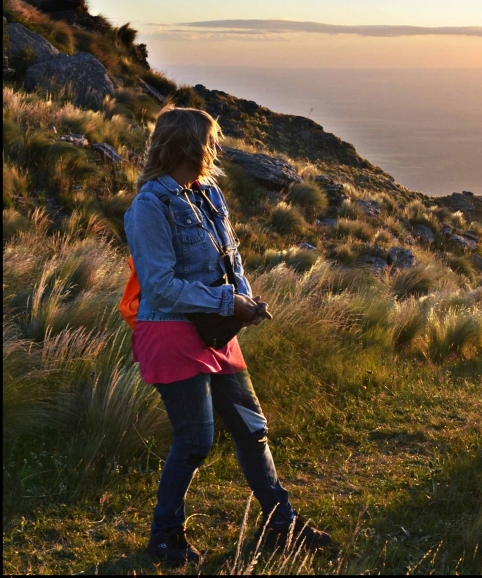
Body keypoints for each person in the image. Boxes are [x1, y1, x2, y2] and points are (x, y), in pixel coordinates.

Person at [124, 107, 331, 566]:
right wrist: (227, 305)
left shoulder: (209, 194)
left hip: (217, 332)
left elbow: (229, 262)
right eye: (210, 142)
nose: (215, 150)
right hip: (171, 332)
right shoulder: (148, 207)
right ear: (188, 146)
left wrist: (247, 302)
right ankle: (165, 537)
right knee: (196, 439)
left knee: (252, 429)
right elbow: (159, 287)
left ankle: (282, 524)